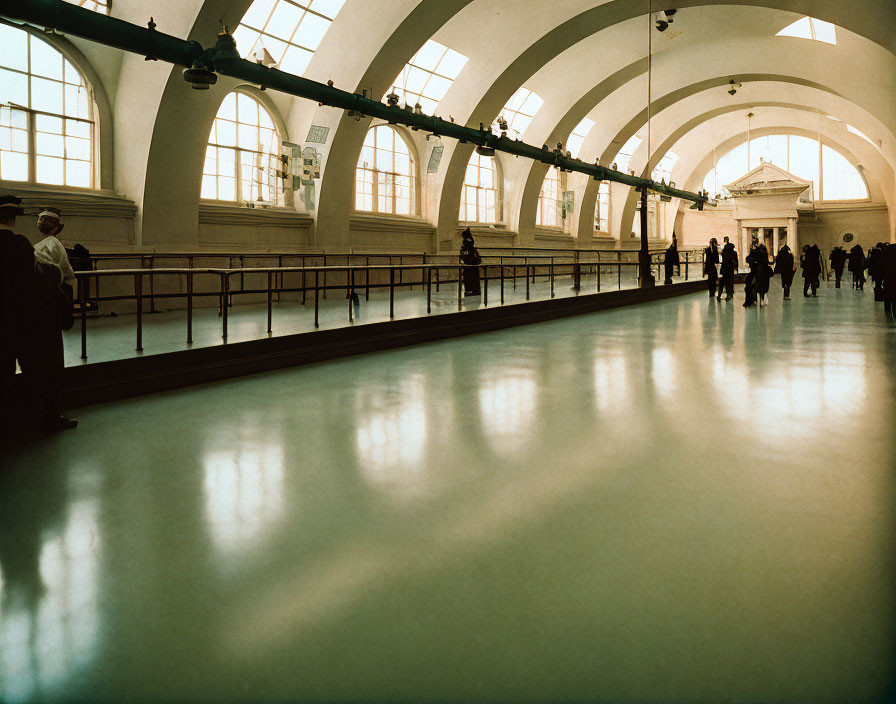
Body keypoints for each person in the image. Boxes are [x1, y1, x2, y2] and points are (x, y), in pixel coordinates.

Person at [0, 195, 38, 442]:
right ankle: (26, 422)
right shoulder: (21, 245)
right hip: (18, 318)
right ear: (13, 219)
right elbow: (29, 285)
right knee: (29, 367)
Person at [459, 227, 481, 296]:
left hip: (469, 263)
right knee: (472, 277)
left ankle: (470, 290)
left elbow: (464, 254)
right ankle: (474, 290)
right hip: (471, 264)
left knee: (470, 277)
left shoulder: (466, 244)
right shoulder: (468, 244)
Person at [754, 241, 771, 306]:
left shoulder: (757, 253)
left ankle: (757, 300)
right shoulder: (765, 254)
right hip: (765, 272)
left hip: (758, 272)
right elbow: (767, 262)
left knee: (758, 286)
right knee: (764, 286)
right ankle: (762, 299)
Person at [881, 243, 896, 319]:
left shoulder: (886, 254)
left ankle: (887, 311)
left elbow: (881, 266)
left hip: (888, 278)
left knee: (888, 295)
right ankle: (894, 312)